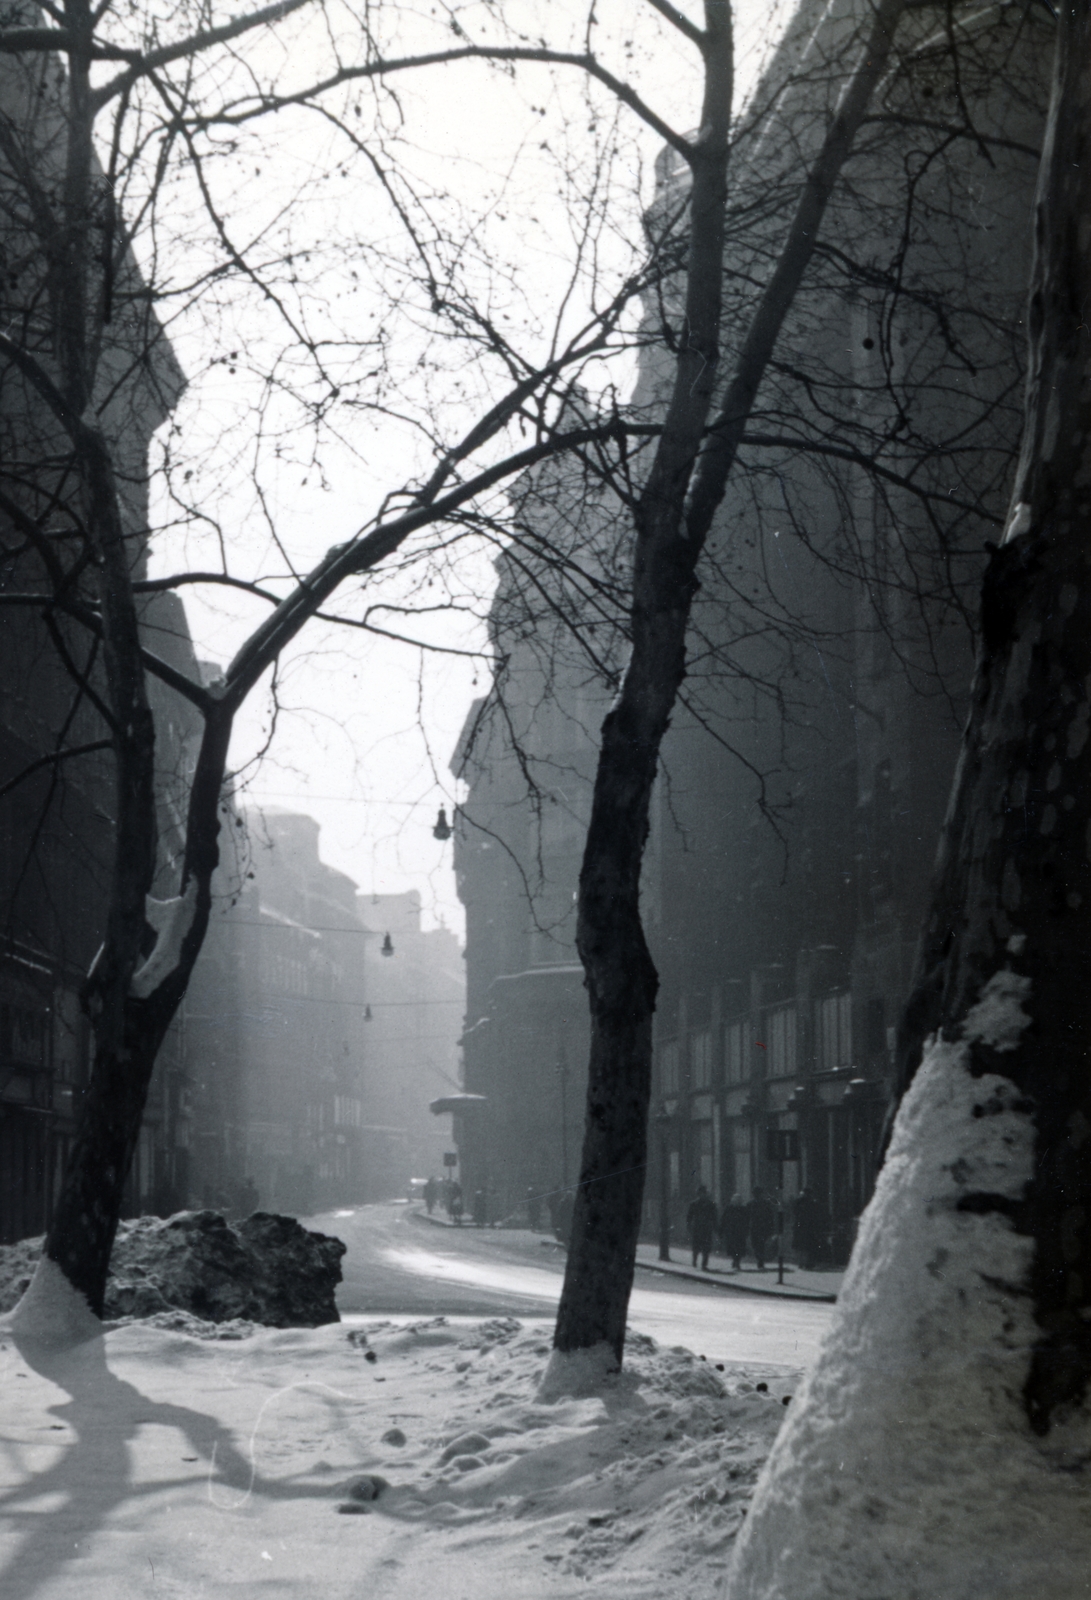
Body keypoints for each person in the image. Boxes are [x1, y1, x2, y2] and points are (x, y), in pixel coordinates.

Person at [792, 1186, 825, 1270]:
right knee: (808, 1246)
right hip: (808, 1227)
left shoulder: (799, 1202)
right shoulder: (811, 1203)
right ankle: (806, 1263)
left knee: (802, 1246)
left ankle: (803, 1262)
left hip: (802, 1227)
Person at [686, 1185, 718, 1270]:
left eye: (704, 1193)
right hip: (697, 1228)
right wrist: (689, 1226)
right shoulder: (693, 1204)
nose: (702, 1195)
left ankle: (704, 1264)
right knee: (696, 1247)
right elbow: (689, 1217)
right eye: (700, 1193)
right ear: (698, 1194)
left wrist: (715, 1228)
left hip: (707, 1228)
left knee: (706, 1247)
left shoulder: (711, 1204)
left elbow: (714, 1217)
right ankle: (694, 1260)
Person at [748, 1187, 777, 1270]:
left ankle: (760, 1260)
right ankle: (760, 1260)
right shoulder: (762, 1203)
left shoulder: (752, 1204)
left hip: (757, 1227)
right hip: (762, 1228)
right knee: (760, 1244)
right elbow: (770, 1217)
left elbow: (770, 1216)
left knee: (757, 1245)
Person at [719, 1192, 749, 1271]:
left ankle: (737, 1261)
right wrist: (721, 1230)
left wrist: (747, 1230)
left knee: (739, 1248)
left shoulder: (743, 1209)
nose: (737, 1201)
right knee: (732, 1248)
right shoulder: (729, 1209)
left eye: (738, 1200)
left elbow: (747, 1221)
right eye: (735, 1200)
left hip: (740, 1232)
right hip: (731, 1232)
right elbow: (724, 1220)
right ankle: (735, 1260)